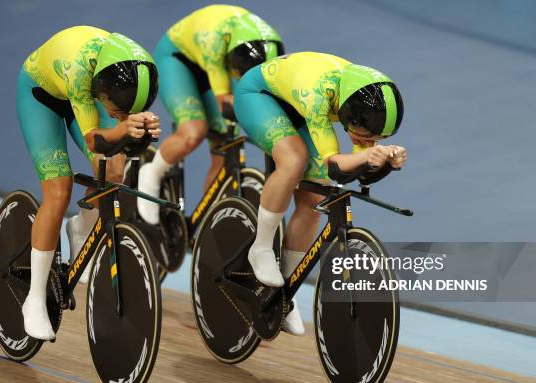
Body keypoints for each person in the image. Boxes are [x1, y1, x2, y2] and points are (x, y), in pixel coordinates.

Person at [234, 52, 407, 335]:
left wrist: (385, 160)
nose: (368, 141)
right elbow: (336, 165)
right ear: (351, 114)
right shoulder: (317, 95)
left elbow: (360, 170)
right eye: (365, 134)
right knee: (293, 161)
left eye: (377, 138)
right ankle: (261, 247)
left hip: (296, 108)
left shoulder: (357, 96)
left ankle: (283, 290)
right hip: (260, 97)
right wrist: (368, 157)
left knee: (315, 199)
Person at [17, 26, 160, 340]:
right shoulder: (82, 71)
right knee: (59, 191)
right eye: (117, 109)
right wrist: (124, 130)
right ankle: (35, 297)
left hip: (83, 95)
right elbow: (95, 142)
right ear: (103, 88)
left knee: (114, 172)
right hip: (42, 96)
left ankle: (82, 224)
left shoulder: (133, 70)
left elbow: (118, 140)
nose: (120, 115)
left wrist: (138, 132)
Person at [137, 4, 284, 224]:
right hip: (178, 59)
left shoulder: (272, 49)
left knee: (223, 141)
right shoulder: (215, 40)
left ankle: (206, 220)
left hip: (221, 61)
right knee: (194, 131)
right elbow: (224, 99)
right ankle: (151, 173)